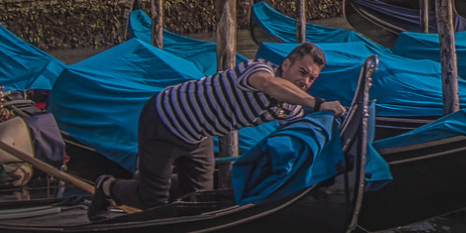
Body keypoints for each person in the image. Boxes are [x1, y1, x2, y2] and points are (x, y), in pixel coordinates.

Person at [91, 42, 344, 217]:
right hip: (165, 118)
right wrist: (318, 103)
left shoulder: (290, 107)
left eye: (311, 79)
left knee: (197, 195)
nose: (305, 82)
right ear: (286, 64)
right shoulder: (258, 69)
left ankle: (150, 180)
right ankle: (107, 186)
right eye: (302, 72)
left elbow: (298, 137)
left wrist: (329, 169)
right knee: (153, 203)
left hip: (198, 135)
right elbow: (268, 85)